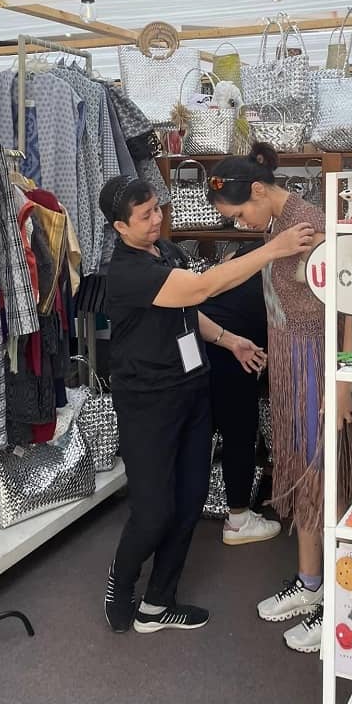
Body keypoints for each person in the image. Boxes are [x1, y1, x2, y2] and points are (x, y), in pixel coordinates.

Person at [99, 176, 314, 635]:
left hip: (192, 391)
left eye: (158, 209)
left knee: (190, 499)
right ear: (119, 226)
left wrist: (228, 339)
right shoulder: (126, 272)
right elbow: (199, 289)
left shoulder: (164, 252)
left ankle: (159, 602)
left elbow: (184, 308)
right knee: (153, 510)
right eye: (145, 216)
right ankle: (121, 581)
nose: (157, 219)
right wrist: (273, 250)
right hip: (148, 403)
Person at [207, 143, 352, 654]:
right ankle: (311, 583)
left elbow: (348, 306)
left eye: (239, 214)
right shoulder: (278, 229)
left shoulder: (310, 225)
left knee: (322, 475)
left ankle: (338, 600)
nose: (240, 223)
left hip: (317, 366)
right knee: (301, 473)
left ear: (257, 190)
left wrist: (339, 384)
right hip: (293, 365)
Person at [199, 241, 281, 545]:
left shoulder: (247, 251)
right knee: (239, 436)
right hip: (237, 350)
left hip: (200, 340)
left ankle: (176, 510)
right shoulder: (288, 260)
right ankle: (238, 520)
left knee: (197, 434)